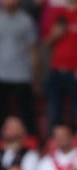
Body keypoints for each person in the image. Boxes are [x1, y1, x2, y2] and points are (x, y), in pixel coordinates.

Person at [0, 0, 38, 144]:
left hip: (22, 75)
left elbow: (33, 50)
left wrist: (35, 76)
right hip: (1, 74)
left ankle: (32, 146)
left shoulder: (27, 21)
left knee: (27, 115)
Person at [45, 0, 77, 129]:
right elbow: (47, 43)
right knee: (54, 110)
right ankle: (52, 143)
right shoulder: (58, 14)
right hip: (56, 69)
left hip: (74, 71)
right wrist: (56, 34)